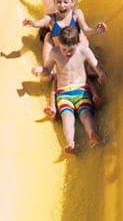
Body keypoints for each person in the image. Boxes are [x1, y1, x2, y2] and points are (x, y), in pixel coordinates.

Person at [22, 0, 106, 111]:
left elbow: (86, 30)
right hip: (61, 54)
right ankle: (53, 106)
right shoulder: (51, 18)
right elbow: (40, 22)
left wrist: (96, 30)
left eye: (65, 2)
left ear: (73, 2)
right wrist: (32, 23)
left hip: (75, 53)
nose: (62, 5)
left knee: (81, 71)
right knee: (57, 77)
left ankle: (94, 96)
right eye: (59, 2)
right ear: (55, 3)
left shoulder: (76, 14)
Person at [39, 25, 107, 154]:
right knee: (67, 117)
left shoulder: (84, 51)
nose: (67, 53)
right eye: (64, 49)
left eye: (71, 50)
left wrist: (101, 74)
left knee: (85, 114)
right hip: (63, 92)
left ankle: (92, 134)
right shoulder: (55, 52)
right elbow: (47, 70)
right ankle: (70, 142)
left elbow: (95, 63)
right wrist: (40, 70)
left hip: (81, 90)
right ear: (59, 45)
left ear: (77, 43)